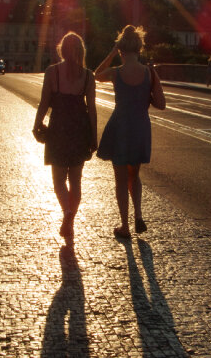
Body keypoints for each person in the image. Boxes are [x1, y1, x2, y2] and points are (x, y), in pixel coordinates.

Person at [95, 25, 166, 240]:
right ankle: (139, 215)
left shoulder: (117, 72)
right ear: (139, 47)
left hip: (120, 126)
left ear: (122, 49)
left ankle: (125, 225)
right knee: (134, 176)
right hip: (140, 127)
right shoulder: (149, 72)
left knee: (120, 179)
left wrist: (111, 53)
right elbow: (161, 104)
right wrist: (146, 96)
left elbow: (96, 74)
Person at [33, 32, 97, 242]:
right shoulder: (88, 76)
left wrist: (37, 124)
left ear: (61, 49)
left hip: (58, 128)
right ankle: (70, 218)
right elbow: (92, 110)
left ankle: (67, 213)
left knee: (59, 180)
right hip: (80, 129)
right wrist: (94, 137)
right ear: (81, 51)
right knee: (76, 180)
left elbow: (44, 102)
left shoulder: (53, 72)